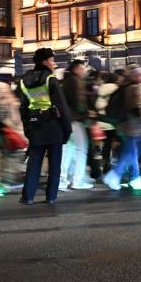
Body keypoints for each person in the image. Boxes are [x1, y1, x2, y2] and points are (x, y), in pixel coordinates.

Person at [18, 48, 72, 205]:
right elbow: (62, 107)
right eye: (51, 60)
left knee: (34, 163)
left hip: (35, 127)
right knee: (54, 165)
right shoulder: (51, 80)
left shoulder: (23, 82)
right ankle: (51, 197)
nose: (54, 63)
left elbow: (23, 108)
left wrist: (27, 129)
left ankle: (27, 197)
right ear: (44, 62)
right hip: (54, 127)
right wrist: (67, 130)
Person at [102, 65, 141, 191]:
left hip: (125, 126)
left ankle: (134, 177)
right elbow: (134, 106)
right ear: (134, 75)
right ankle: (116, 176)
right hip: (132, 126)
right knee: (130, 153)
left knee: (131, 153)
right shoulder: (133, 87)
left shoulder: (124, 86)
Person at [60, 59, 94, 190]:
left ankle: (62, 179)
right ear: (76, 69)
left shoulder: (66, 81)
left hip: (67, 120)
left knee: (68, 150)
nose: (84, 70)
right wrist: (87, 113)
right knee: (81, 150)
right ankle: (77, 180)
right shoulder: (76, 81)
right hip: (75, 119)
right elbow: (79, 102)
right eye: (82, 68)